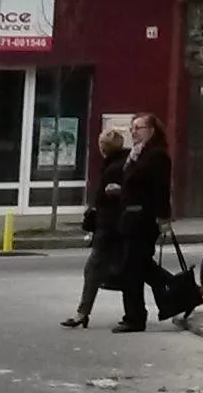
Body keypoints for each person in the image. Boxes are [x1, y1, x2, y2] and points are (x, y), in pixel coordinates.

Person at [109, 112, 172, 332]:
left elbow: (160, 188)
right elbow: (135, 184)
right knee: (143, 266)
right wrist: (121, 190)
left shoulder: (157, 155)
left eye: (139, 128)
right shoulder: (136, 154)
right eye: (132, 128)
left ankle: (135, 317)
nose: (134, 132)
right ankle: (181, 293)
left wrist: (163, 217)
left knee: (132, 269)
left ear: (151, 131)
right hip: (130, 217)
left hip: (143, 219)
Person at [60, 127, 128, 329]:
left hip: (110, 228)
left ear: (105, 148)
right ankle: (83, 313)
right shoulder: (119, 163)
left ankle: (82, 313)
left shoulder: (114, 167)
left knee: (93, 269)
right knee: (141, 270)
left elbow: (109, 198)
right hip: (113, 226)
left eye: (102, 144)